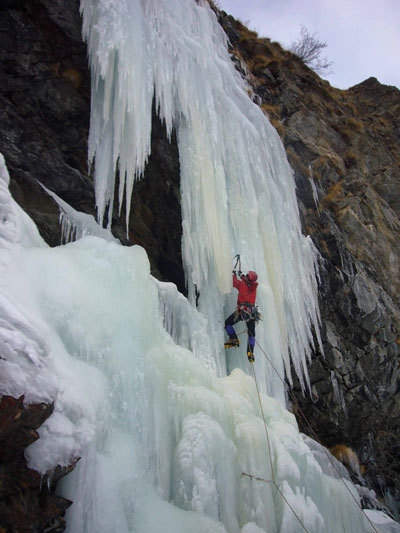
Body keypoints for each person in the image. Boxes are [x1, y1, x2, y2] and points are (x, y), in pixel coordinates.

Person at [224, 270, 259, 363]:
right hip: (252, 313)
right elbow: (247, 281)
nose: (246, 276)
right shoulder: (254, 287)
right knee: (252, 334)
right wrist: (242, 275)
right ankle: (250, 352)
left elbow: (234, 282)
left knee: (227, 323)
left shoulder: (241, 285)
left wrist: (234, 275)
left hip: (242, 312)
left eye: (247, 276)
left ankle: (234, 339)